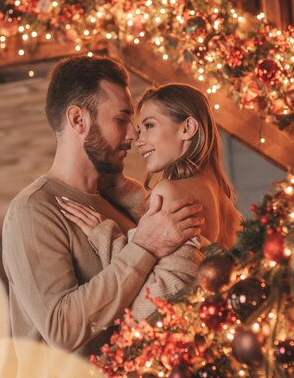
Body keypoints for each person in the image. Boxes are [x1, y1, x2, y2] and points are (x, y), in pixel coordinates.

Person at [2, 56, 205, 356]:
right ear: (78, 120)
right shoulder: (33, 210)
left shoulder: (123, 203)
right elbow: (62, 328)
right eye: (121, 120)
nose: (134, 135)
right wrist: (144, 248)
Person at [57, 83, 243, 318]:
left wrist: (103, 235)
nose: (138, 139)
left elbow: (155, 299)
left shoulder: (170, 192)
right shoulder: (230, 208)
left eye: (149, 126)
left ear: (188, 127)